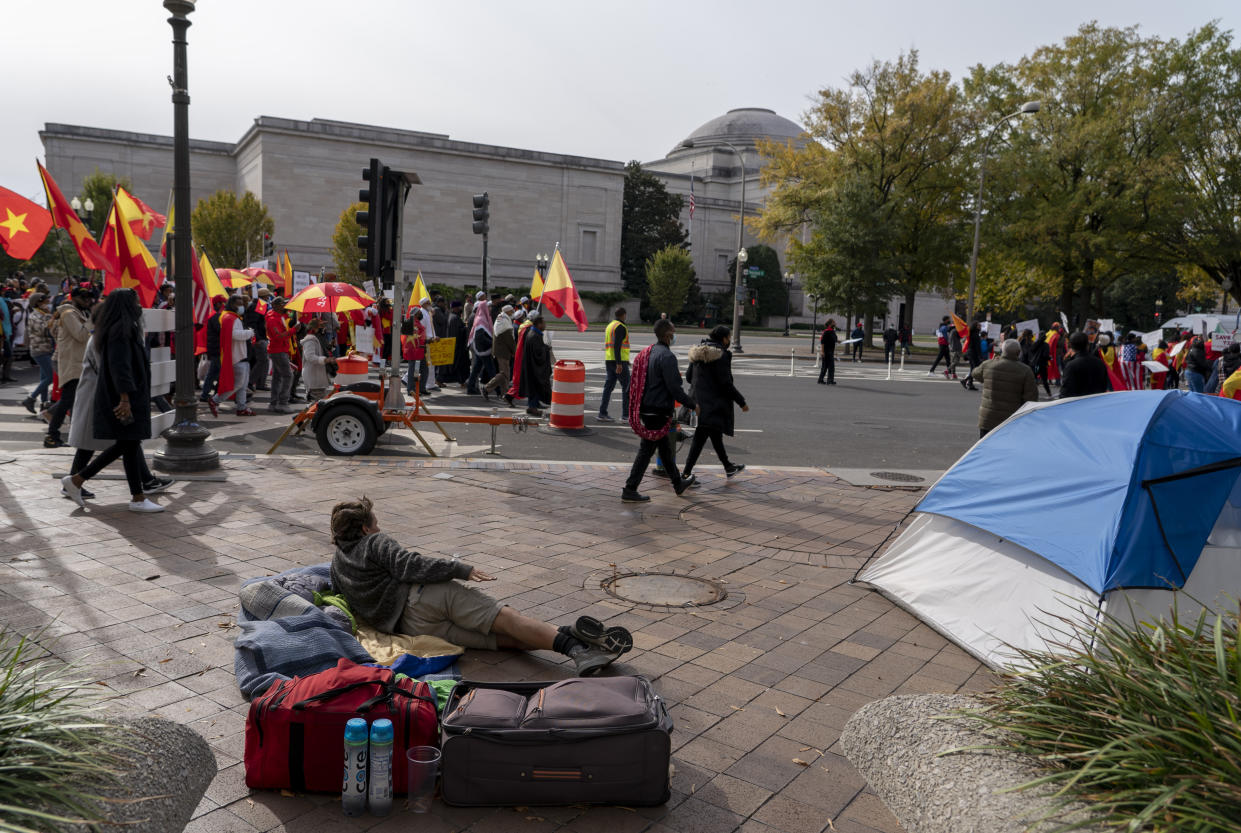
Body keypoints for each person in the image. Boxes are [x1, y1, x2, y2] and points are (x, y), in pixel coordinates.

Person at [329, 496, 629, 676]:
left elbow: (346, 601)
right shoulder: (375, 542)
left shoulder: (337, 565)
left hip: (411, 628)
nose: (379, 528)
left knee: (500, 640)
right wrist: (461, 569)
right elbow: (409, 564)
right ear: (366, 528)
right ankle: (577, 648)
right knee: (507, 620)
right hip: (426, 596)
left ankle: (571, 638)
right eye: (375, 523)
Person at [60, 288, 164, 513]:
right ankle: (79, 480)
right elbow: (120, 368)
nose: (139, 306)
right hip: (125, 398)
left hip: (127, 396)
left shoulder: (119, 329)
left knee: (128, 445)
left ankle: (135, 496)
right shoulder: (120, 332)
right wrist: (125, 398)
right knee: (127, 444)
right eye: (135, 301)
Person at [622, 319, 697, 502]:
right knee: (646, 451)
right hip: (658, 409)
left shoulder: (649, 353)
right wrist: (692, 404)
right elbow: (674, 388)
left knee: (664, 450)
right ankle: (630, 489)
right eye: (673, 330)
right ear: (667, 335)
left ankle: (678, 483)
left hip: (647, 408)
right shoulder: (667, 357)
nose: (675, 334)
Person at [681, 325, 748, 481]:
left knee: (714, 434)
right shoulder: (721, 356)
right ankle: (685, 475)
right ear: (723, 339)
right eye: (729, 337)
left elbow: (690, 377)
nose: (729, 340)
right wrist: (741, 402)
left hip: (698, 402)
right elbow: (726, 384)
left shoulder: (698, 352)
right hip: (713, 404)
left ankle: (728, 467)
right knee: (701, 438)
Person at [44, 285, 93, 448]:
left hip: (78, 362)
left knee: (74, 400)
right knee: (68, 399)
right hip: (71, 363)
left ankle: (70, 434)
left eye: (89, 298)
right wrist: (93, 320)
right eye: (83, 298)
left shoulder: (80, 313)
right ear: (74, 298)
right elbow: (80, 335)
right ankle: (51, 435)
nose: (87, 301)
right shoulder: (68, 314)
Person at [973, 339, 1038, 438]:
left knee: (986, 449)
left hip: (988, 418)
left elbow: (975, 374)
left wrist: (993, 360)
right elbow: (1031, 398)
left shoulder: (989, 365)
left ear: (1002, 351)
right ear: (1018, 352)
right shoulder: (1025, 370)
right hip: (1011, 420)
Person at [212, 294, 256, 416]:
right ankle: (215, 400)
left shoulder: (234, 317)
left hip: (242, 355)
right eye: (239, 304)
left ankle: (242, 407)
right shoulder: (230, 318)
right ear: (232, 304)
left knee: (243, 385)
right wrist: (249, 333)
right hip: (237, 356)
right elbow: (234, 334)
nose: (242, 306)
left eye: (242, 304)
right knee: (237, 384)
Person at [21, 293, 55, 415]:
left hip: (46, 349)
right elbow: (43, 330)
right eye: (45, 301)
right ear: (38, 303)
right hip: (39, 350)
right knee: (50, 377)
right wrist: (50, 318)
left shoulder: (44, 314)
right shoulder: (34, 316)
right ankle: (30, 399)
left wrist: (49, 316)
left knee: (44, 378)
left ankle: (44, 404)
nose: (48, 303)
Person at [598, 306, 630, 421]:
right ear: (623, 315)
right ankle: (626, 416)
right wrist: (620, 363)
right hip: (618, 361)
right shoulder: (620, 326)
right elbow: (617, 346)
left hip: (609, 359)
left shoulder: (610, 326)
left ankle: (602, 413)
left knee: (608, 387)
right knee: (627, 387)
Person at [518, 314, 552, 416]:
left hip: (531, 366)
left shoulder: (534, 333)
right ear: (539, 324)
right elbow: (538, 354)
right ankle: (532, 407)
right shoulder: (534, 336)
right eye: (543, 323)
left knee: (535, 386)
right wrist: (546, 349)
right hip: (533, 367)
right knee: (536, 386)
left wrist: (544, 347)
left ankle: (534, 404)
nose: (545, 325)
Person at [265, 296, 295, 413]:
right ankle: (282, 403)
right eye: (283, 304)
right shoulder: (272, 319)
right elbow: (278, 336)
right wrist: (293, 330)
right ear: (276, 306)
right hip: (278, 350)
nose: (285, 306)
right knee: (288, 375)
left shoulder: (279, 316)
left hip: (280, 349)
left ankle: (274, 403)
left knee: (277, 377)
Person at [1059, 332, 1110, 398]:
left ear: (1070, 346)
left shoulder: (1071, 365)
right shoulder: (1100, 363)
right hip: (1097, 404)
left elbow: (1065, 393)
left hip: (1079, 406)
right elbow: (1104, 387)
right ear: (1087, 345)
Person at [482, 304, 516, 399]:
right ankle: (486, 388)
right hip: (503, 351)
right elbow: (509, 339)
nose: (513, 313)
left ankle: (504, 394)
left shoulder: (502, 318)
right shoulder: (505, 322)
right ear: (507, 311)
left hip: (500, 350)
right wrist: (514, 351)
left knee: (505, 373)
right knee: (504, 373)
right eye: (512, 311)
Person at [465, 295, 495, 396]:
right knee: (491, 371)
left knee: (476, 370)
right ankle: (498, 390)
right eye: (488, 307)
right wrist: (492, 343)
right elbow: (480, 337)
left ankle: (470, 387)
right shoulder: (481, 319)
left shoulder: (482, 317)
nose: (490, 308)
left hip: (481, 349)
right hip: (483, 350)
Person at [300, 318, 332, 402]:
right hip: (313, 376)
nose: (323, 328)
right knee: (316, 405)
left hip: (318, 376)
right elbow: (310, 357)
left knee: (319, 404)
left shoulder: (318, 338)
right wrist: (325, 360)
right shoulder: (310, 340)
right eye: (321, 326)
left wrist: (331, 345)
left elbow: (323, 350)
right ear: (315, 328)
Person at [246, 288, 271, 391]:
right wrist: (257, 339)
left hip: (262, 337)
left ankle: (261, 383)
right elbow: (253, 324)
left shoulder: (260, 305)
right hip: (259, 338)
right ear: (264, 297)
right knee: (263, 360)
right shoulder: (257, 305)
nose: (268, 298)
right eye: (267, 297)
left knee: (264, 361)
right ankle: (251, 382)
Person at [400, 309, 429, 396]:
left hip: (420, 349)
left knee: (424, 369)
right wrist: (428, 340)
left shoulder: (417, 323)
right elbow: (416, 337)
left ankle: (422, 388)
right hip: (413, 350)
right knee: (412, 370)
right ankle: (411, 390)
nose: (421, 315)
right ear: (415, 314)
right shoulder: (412, 323)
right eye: (419, 313)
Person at [817, 319, 837, 385]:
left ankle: (821, 380)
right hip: (826, 351)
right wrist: (822, 351)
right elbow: (822, 342)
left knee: (825, 366)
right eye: (834, 322)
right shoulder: (827, 331)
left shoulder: (832, 331)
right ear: (830, 324)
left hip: (831, 351)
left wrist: (839, 341)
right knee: (830, 366)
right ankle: (830, 380)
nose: (835, 323)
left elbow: (834, 339)